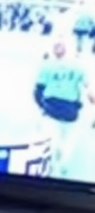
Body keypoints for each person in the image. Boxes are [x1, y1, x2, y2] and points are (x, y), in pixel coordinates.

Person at [33, 35, 95, 177]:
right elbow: (89, 88)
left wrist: (41, 107)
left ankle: (55, 168)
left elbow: (38, 90)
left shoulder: (47, 65)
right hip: (70, 111)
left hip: (53, 108)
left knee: (53, 143)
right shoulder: (78, 65)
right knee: (65, 144)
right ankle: (61, 167)